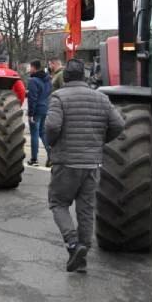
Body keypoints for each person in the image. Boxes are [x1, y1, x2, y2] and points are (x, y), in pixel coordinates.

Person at [44, 59, 125, 273]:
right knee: (86, 208)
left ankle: (72, 243)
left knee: (58, 203)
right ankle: (83, 253)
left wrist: (52, 143)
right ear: (84, 77)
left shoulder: (58, 97)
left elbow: (52, 125)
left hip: (66, 162)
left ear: (66, 77)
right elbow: (118, 124)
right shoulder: (101, 98)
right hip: (92, 162)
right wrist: (100, 142)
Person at [27, 60, 52, 166]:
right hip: (46, 108)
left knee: (34, 134)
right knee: (43, 132)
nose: (29, 69)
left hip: (36, 110)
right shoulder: (48, 79)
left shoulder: (33, 80)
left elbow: (32, 98)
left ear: (34, 67)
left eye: (30, 67)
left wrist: (30, 113)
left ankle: (34, 159)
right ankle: (51, 157)